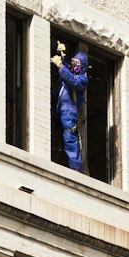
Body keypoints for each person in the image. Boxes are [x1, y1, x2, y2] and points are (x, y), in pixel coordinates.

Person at [51, 43, 88, 172]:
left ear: (81, 67)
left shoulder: (82, 79)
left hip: (68, 112)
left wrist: (61, 65)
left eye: (76, 63)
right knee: (52, 133)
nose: (73, 65)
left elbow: (72, 81)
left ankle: (76, 167)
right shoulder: (68, 69)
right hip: (57, 108)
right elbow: (61, 66)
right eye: (72, 62)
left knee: (69, 138)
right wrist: (59, 53)